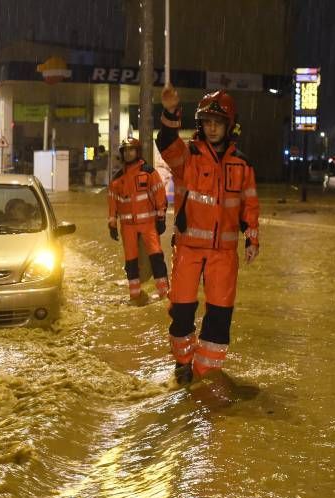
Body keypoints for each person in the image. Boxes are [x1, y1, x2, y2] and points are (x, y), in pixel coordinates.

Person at [156, 85, 260, 385]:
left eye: (218, 122)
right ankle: (184, 364)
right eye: (207, 122)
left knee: (219, 317)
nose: (212, 127)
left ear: (230, 125)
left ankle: (205, 377)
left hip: (224, 254)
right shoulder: (186, 156)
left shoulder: (242, 164)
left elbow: (249, 205)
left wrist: (253, 238)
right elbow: (165, 141)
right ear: (200, 125)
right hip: (188, 249)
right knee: (181, 314)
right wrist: (171, 111)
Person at [107, 137, 169, 301]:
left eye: (131, 150)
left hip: (149, 224)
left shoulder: (149, 172)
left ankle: (164, 293)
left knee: (156, 257)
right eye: (125, 150)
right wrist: (112, 223)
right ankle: (135, 295)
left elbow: (160, 195)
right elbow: (112, 203)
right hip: (127, 227)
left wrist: (161, 218)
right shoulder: (116, 180)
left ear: (137, 151)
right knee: (131, 262)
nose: (128, 153)